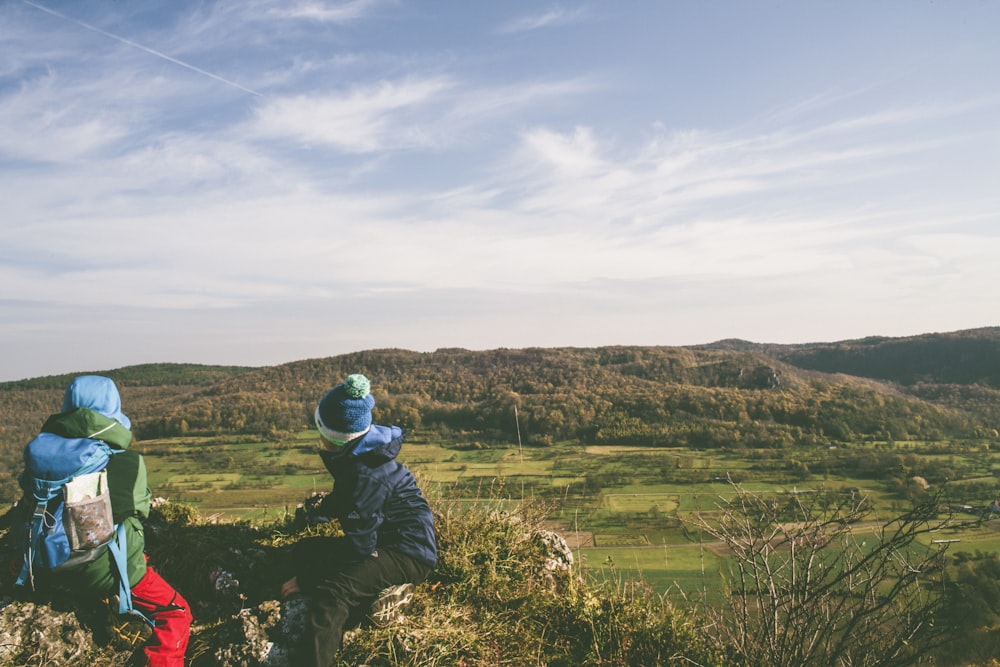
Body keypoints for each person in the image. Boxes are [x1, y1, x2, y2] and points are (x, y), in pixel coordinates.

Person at [17, 375, 192, 667]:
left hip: (41, 567)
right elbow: (137, 513)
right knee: (176, 612)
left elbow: (26, 508)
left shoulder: (38, 458)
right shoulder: (127, 461)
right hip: (100, 573)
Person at [282, 373, 437, 667]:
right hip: (383, 538)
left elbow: (359, 547)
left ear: (335, 439)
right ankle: (381, 596)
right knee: (304, 552)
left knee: (332, 594)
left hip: (408, 553)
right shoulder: (360, 448)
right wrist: (319, 515)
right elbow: (348, 497)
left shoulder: (367, 475)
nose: (318, 440)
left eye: (321, 434)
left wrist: (308, 579)